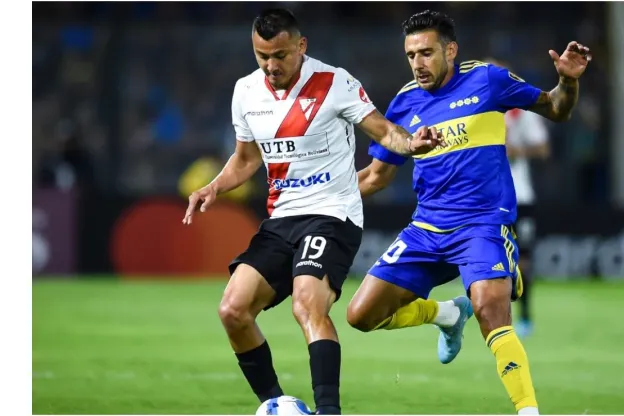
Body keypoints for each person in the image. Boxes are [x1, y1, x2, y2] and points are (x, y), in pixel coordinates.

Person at [181, 8, 441, 415]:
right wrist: (214, 187)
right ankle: (276, 405)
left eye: (280, 55)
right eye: (261, 55)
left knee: (307, 304)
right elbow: (247, 159)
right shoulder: (246, 91)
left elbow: (382, 129)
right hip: (281, 218)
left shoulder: (334, 82)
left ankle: (328, 411)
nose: (270, 65)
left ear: (301, 46)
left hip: (332, 214)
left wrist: (410, 144)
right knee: (232, 310)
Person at [346, 10, 591, 416]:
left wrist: (567, 80)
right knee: (361, 315)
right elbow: (375, 177)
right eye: (411, 55)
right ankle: (444, 314)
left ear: (451, 50)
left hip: (482, 224)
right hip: (426, 228)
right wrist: (319, 199)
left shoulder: (488, 81)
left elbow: (557, 110)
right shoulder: (405, 102)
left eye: (426, 53)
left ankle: (528, 411)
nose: (418, 64)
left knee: (491, 310)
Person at [485, 57, 552, 338]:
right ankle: (492, 316)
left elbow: (544, 149)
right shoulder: (474, 112)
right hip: (485, 198)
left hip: (519, 196)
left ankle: (525, 318)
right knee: (488, 259)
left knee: (522, 260)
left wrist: (516, 151)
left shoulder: (518, 112)